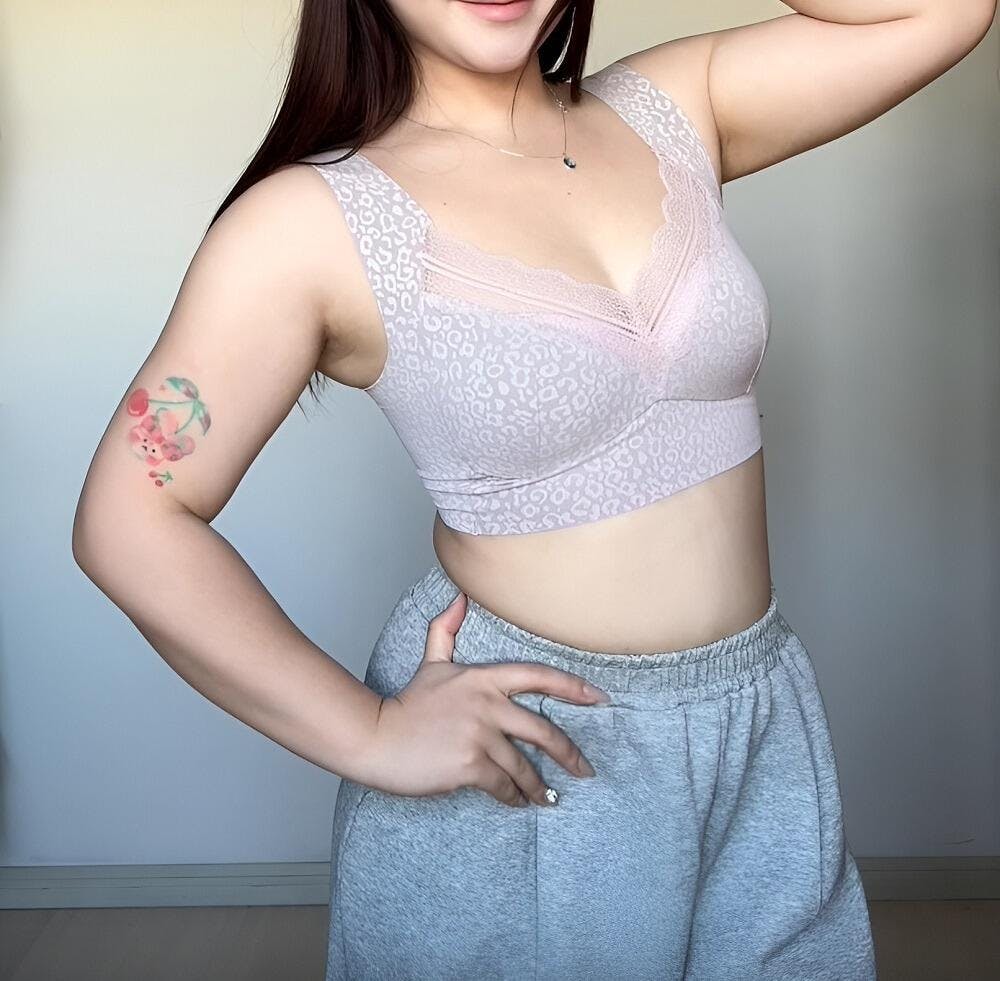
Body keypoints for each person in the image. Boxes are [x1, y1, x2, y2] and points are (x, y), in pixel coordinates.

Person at [72, 1, 995, 978]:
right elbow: (130, 518)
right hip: (530, 753)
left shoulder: (676, 105)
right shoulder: (308, 224)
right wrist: (371, 733)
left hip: (754, 721)